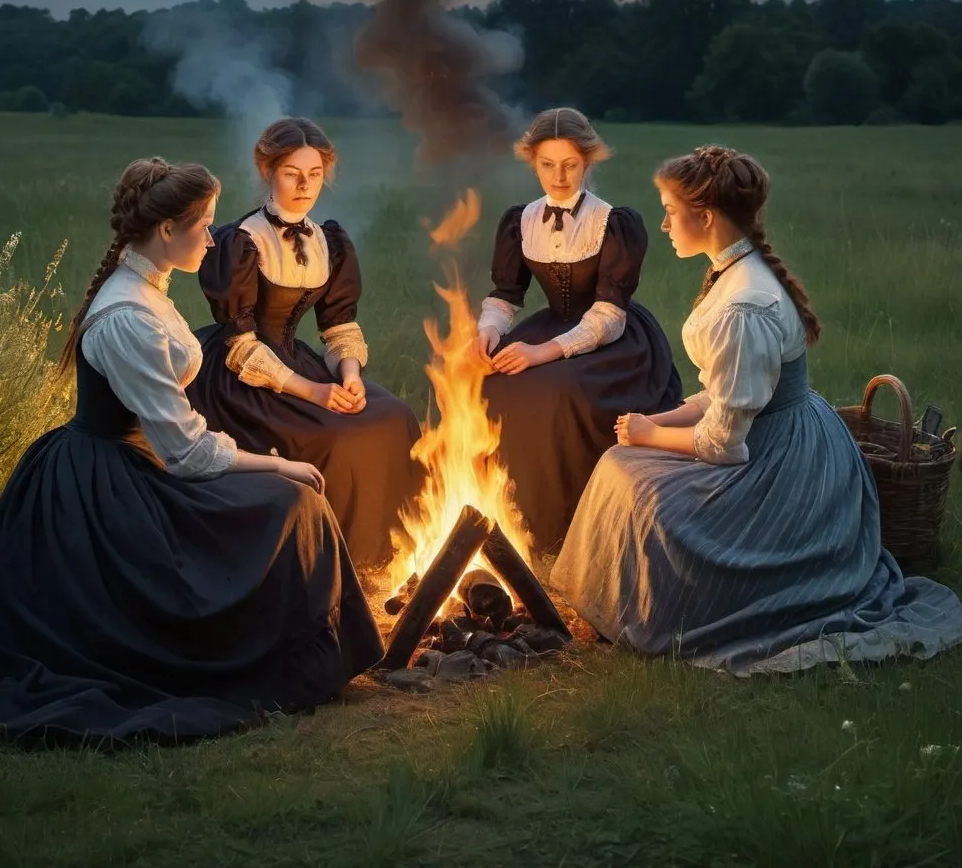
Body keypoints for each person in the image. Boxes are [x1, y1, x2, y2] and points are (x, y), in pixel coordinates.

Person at [0, 158, 384, 745]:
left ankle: (298, 656)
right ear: (167, 230)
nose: (214, 237)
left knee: (286, 501)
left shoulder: (146, 285)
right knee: (291, 503)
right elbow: (188, 455)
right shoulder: (128, 317)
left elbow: (180, 435)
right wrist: (276, 462)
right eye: (203, 225)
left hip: (140, 462)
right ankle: (280, 666)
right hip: (109, 489)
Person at [551, 145, 962, 673]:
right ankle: (625, 604)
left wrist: (650, 437)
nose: (665, 224)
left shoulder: (743, 306)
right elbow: (723, 394)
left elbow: (724, 444)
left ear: (705, 216)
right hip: (778, 432)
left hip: (777, 465)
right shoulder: (736, 269)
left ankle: (669, 614)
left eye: (671, 212)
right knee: (621, 464)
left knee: (642, 489)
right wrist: (659, 421)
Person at [187, 118, 422, 569]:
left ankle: (389, 554)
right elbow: (242, 345)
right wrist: (313, 391)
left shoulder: (329, 240)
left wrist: (349, 376)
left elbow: (337, 326)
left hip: (301, 359)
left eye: (314, 174)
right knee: (332, 435)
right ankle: (326, 557)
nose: (305, 184)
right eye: (293, 172)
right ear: (268, 172)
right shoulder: (241, 241)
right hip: (244, 372)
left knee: (394, 417)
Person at [474, 107, 683, 552]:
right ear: (533, 163)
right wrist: (489, 330)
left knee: (556, 390)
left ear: (587, 162)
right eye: (547, 165)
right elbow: (505, 293)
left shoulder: (614, 223)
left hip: (611, 336)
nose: (559, 176)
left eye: (569, 164)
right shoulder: (521, 219)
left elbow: (607, 314)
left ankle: (568, 528)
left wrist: (540, 352)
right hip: (550, 324)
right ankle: (510, 520)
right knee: (491, 383)